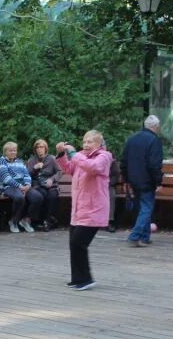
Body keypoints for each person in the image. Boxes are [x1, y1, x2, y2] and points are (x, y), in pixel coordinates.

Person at [56, 131, 113, 290]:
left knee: (79, 243)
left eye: (90, 142)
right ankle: (77, 279)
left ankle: (86, 279)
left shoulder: (104, 156)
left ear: (99, 144)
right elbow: (69, 168)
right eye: (84, 141)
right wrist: (62, 153)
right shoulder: (80, 156)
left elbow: (93, 168)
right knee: (74, 244)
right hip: (79, 210)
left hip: (94, 210)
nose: (86, 145)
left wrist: (73, 153)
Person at [120, 115, 164, 247]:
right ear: (155, 127)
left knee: (143, 207)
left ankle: (145, 237)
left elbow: (124, 162)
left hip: (133, 180)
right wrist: (159, 182)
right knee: (146, 208)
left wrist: (126, 180)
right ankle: (135, 236)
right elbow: (154, 165)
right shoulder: (154, 140)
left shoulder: (132, 139)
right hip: (147, 180)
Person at [0, 141, 43, 233]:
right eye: (11, 151)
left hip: (24, 186)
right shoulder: (2, 161)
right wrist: (20, 186)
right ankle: (13, 221)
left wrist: (28, 185)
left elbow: (26, 175)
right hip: (9, 186)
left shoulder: (20, 161)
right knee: (19, 197)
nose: (13, 152)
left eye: (15, 150)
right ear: (5, 152)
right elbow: (5, 177)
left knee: (38, 197)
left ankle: (26, 220)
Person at [26, 138, 62, 230]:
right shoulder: (32, 160)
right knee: (43, 195)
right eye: (37, 147)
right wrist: (34, 168)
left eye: (41, 147)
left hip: (51, 185)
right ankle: (43, 221)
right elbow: (27, 176)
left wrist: (52, 179)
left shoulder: (52, 159)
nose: (39, 149)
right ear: (35, 149)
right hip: (38, 185)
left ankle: (47, 220)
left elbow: (59, 171)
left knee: (53, 196)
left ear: (45, 148)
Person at [105, 141, 121, 233]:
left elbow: (116, 175)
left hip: (107, 185)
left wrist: (109, 183)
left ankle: (109, 221)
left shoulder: (111, 159)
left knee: (111, 195)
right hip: (94, 185)